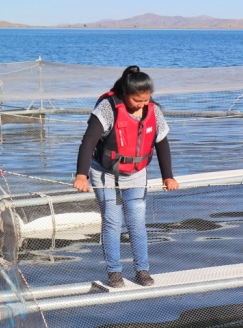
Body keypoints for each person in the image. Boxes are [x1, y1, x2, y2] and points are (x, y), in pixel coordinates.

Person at [73, 65, 179, 288]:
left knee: (137, 223)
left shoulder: (153, 111)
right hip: (105, 174)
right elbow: (88, 141)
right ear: (125, 93)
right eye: (137, 100)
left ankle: (142, 270)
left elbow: (162, 143)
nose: (141, 105)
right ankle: (114, 272)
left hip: (136, 173)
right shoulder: (107, 108)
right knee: (112, 222)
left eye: (146, 100)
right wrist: (81, 175)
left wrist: (168, 176)